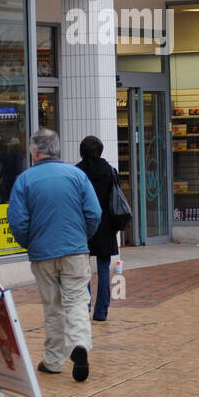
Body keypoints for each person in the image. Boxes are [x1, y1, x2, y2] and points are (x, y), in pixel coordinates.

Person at [8, 128, 100, 381]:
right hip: (75, 250)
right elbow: (94, 213)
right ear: (57, 149)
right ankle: (80, 345)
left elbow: (17, 222)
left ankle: (53, 360)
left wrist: (30, 243)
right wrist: (83, 237)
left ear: (34, 151)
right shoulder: (77, 176)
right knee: (77, 302)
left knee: (53, 307)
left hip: (42, 253)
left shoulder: (24, 180)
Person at [75, 136, 121, 322]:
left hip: (82, 224)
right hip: (106, 224)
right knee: (104, 268)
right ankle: (101, 312)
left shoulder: (76, 172)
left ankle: (84, 307)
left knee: (82, 269)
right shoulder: (110, 171)